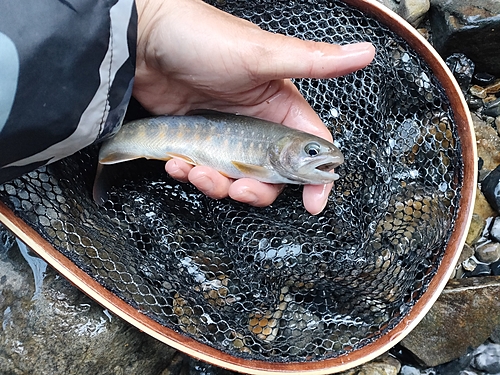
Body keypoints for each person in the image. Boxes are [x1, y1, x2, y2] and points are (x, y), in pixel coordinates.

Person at [0, 0, 375, 215]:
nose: (320, 159)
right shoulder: (264, 161)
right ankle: (107, 152)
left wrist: (144, 23)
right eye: (312, 151)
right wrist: (145, 19)